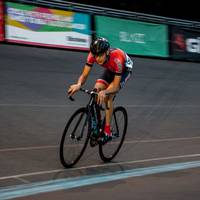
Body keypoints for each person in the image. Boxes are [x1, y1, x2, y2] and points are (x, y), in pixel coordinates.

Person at [68, 37, 133, 144]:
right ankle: (97, 126)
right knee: (95, 91)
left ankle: (107, 131)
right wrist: (78, 84)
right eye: (95, 55)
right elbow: (84, 75)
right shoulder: (92, 55)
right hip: (110, 69)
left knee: (108, 97)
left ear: (107, 52)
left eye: (100, 55)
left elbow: (116, 87)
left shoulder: (117, 59)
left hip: (124, 70)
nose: (97, 58)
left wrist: (105, 92)